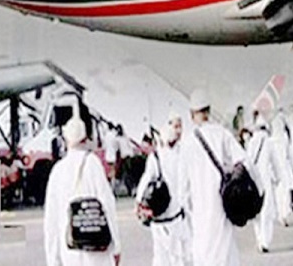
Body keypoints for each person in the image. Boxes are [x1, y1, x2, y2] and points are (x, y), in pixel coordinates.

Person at [179, 90, 250, 266]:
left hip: (199, 209)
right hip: (222, 203)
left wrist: (188, 209)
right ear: (209, 111)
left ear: (192, 114)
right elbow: (243, 161)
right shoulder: (222, 134)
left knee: (203, 252)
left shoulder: (187, 143)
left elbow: (182, 187)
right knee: (225, 249)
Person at [44, 114, 122, 266]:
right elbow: (108, 204)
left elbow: (51, 220)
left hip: (70, 249)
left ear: (66, 140)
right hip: (97, 246)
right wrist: (116, 245)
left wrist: (52, 259)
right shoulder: (93, 163)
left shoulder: (58, 171)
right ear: (86, 138)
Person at [135, 113, 190, 266]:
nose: (179, 131)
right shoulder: (179, 155)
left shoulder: (158, 156)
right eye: (176, 126)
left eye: (180, 126)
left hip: (163, 218)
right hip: (173, 217)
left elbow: (145, 181)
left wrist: (138, 202)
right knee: (177, 258)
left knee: (162, 258)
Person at [246, 114, 290, 252]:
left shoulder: (251, 142)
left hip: (254, 180)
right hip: (265, 180)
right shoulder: (269, 143)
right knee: (267, 210)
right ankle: (265, 241)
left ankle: (259, 239)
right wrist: (278, 178)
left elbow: (247, 162)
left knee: (256, 212)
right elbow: (275, 163)